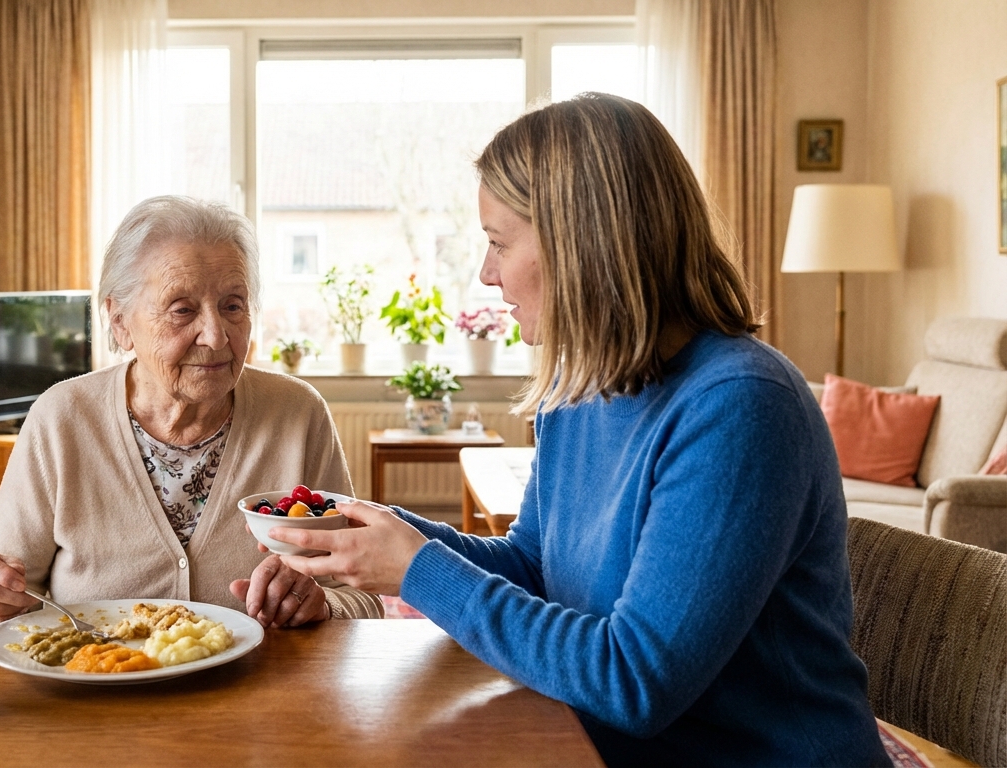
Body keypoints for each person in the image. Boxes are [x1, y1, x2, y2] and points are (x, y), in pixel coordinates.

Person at [272, 94, 890, 767]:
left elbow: (634, 680)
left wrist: (417, 571)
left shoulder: (741, 406)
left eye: (498, 243)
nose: (486, 274)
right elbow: (537, 568)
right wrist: (380, 532)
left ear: (580, 243)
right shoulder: (581, 385)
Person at [0, 195, 384, 629]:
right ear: (120, 323)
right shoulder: (61, 419)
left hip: (258, 694)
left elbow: (364, 598)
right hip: (100, 689)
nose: (216, 336)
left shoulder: (298, 414)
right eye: (183, 310)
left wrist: (324, 605)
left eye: (233, 305)